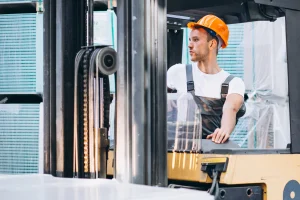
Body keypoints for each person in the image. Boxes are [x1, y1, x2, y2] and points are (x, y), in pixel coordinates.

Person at [167, 14, 246, 144]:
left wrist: (223, 130)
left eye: (196, 40)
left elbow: (230, 108)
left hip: (211, 151)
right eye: (190, 39)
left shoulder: (233, 83)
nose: (190, 45)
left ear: (212, 44)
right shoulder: (177, 72)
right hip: (177, 151)